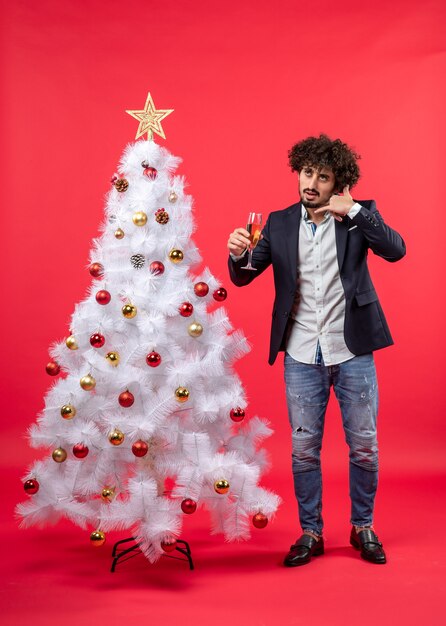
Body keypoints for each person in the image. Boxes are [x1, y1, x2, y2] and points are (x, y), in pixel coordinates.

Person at [227, 134, 406, 566]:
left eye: (322, 177)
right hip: (302, 351)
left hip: (354, 350)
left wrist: (358, 212)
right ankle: (311, 532)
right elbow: (244, 276)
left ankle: (363, 526)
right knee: (304, 448)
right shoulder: (279, 222)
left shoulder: (358, 218)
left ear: (337, 183)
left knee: (364, 445)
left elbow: (396, 250)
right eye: (307, 173)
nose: (312, 183)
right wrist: (237, 255)